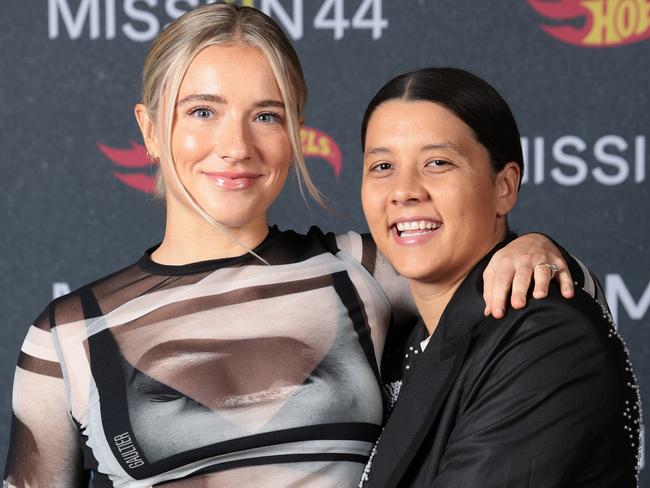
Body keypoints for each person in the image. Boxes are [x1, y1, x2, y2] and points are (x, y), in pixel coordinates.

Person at [4, 5, 574, 488]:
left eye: (266, 116)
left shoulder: (362, 268)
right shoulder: (67, 335)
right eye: (202, 111)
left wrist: (534, 250)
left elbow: (545, 314)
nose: (236, 145)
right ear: (151, 129)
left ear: (295, 132)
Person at [360, 67, 642, 487]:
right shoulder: (399, 339)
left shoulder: (546, 336)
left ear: (504, 187)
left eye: (437, 163)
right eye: (383, 166)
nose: (404, 190)